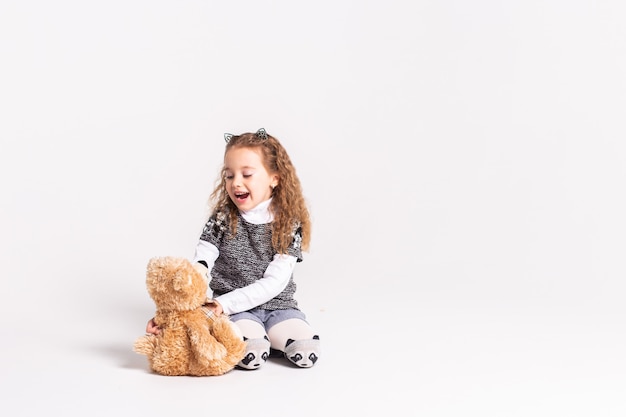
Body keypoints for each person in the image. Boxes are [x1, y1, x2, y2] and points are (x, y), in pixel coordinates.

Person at [146, 128, 320, 369]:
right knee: (252, 350)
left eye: (247, 174)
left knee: (304, 345)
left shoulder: (289, 223)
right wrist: (175, 311)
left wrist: (226, 303)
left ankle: (273, 333)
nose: (236, 182)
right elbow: (201, 264)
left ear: (274, 178)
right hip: (232, 309)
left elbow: (275, 281)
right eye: (229, 175)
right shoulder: (222, 218)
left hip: (278, 305)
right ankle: (258, 339)